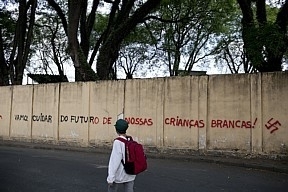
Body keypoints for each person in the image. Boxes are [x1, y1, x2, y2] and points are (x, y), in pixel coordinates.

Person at [107, 119, 136, 192]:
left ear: (116, 129)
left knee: (112, 189)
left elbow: (115, 161)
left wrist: (110, 177)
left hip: (119, 173)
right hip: (130, 172)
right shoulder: (130, 139)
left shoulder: (118, 142)